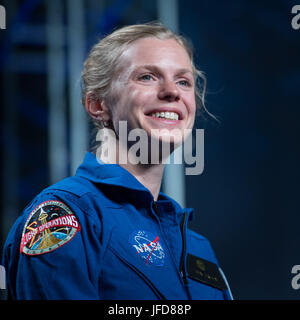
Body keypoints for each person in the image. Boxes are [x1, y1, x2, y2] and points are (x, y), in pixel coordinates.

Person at [1, 22, 233, 300]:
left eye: (183, 81)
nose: (173, 92)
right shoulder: (65, 217)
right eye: (147, 77)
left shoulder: (197, 248)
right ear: (98, 105)